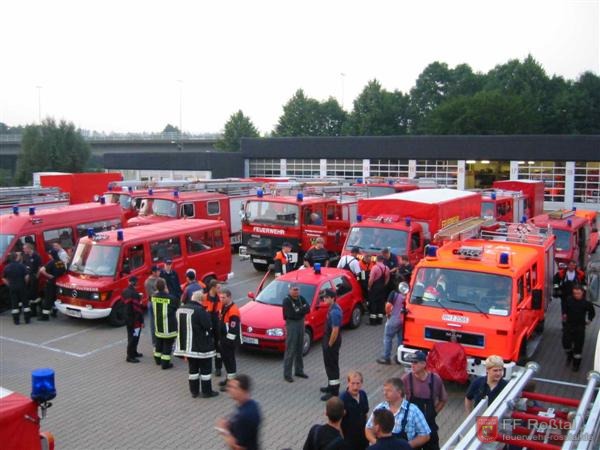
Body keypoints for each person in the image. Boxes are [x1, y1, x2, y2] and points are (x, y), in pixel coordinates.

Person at [174, 290, 219, 398]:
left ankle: (194, 391)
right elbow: (208, 326)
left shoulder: (180, 309)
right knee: (205, 371)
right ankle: (206, 392)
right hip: (201, 347)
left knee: (193, 370)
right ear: (200, 300)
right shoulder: (200, 311)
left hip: (187, 347)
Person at [365, 377, 430, 448]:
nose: (385, 393)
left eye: (389, 391)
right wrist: (378, 444)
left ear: (399, 392)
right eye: (384, 390)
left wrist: (405, 446)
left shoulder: (413, 410)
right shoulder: (380, 408)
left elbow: (425, 435)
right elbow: (368, 428)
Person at [402, 351, 448, 450]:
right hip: (412, 427)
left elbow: (443, 399)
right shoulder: (406, 379)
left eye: (415, 362)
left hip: (429, 425)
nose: (412, 365)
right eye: (411, 362)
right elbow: (398, 399)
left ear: (424, 364)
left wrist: (434, 413)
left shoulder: (435, 379)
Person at [216, 374, 262, 450]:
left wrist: (223, 430)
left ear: (243, 391)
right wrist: (231, 425)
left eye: (234, 388)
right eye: (229, 386)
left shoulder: (245, 415)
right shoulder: (251, 404)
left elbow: (237, 447)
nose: (229, 390)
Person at [562, 284, 595, 372]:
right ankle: (569, 354)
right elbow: (564, 308)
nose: (576, 295)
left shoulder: (586, 303)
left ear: (582, 293)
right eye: (575, 293)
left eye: (578, 293)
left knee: (578, 348)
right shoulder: (569, 300)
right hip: (569, 326)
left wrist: (589, 320)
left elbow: (592, 313)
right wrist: (564, 314)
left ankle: (576, 365)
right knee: (566, 344)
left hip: (580, 327)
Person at [282, 283, 310, 382]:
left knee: (299, 348)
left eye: (297, 289)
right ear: (289, 290)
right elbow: (291, 314)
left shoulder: (301, 298)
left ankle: (299, 370)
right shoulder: (287, 301)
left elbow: (308, 308)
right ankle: (287, 374)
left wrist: (299, 310)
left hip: (301, 324)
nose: (296, 291)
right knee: (290, 349)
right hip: (292, 325)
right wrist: (301, 310)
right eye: (294, 289)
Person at [319, 289, 342, 401]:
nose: (324, 299)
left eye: (327, 297)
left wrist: (329, 344)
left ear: (333, 298)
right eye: (324, 297)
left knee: (332, 366)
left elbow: (335, 330)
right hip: (328, 339)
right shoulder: (332, 308)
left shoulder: (335, 312)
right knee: (328, 365)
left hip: (331, 342)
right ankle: (330, 386)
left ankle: (334, 392)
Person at [151, 278, 179, 369]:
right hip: (169, 327)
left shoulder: (153, 297)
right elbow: (176, 307)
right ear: (165, 287)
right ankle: (165, 364)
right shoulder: (171, 298)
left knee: (158, 343)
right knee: (168, 345)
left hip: (158, 326)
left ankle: (157, 360)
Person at [377, 283, 407, 365]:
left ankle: (386, 357)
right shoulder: (408, 293)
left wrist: (388, 314)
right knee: (400, 339)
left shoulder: (394, 293)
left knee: (388, 337)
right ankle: (399, 357)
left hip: (394, 319)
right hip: (403, 320)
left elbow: (388, 305)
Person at [340, 371, 370, 450]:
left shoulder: (363, 394)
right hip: (349, 441)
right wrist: (342, 440)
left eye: (358, 383)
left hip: (363, 438)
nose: (355, 387)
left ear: (362, 383)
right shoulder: (343, 399)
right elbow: (338, 422)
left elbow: (365, 413)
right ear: (348, 383)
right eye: (352, 383)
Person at [219, 288, 241, 391]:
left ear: (229, 297)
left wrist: (227, 342)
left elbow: (233, 329)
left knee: (230, 361)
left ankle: (231, 384)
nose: (221, 299)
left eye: (223, 297)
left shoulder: (233, 311)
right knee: (226, 360)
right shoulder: (224, 306)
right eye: (220, 297)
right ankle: (229, 379)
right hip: (224, 339)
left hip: (230, 341)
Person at [38, 249, 66, 321]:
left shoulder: (51, 262)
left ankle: (45, 316)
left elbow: (41, 270)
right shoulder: (61, 262)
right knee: (56, 298)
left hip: (51, 283)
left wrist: (48, 275)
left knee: (48, 299)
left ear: (51, 255)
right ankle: (54, 312)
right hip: (59, 283)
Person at [203, 279, 224, 376]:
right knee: (207, 347)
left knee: (218, 347)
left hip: (217, 326)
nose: (220, 290)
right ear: (212, 288)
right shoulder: (204, 298)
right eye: (218, 288)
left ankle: (218, 367)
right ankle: (206, 367)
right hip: (207, 327)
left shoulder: (220, 298)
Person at [2, 252, 29, 325]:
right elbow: (26, 277)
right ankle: (27, 320)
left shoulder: (7, 267)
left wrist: (9, 285)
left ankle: (16, 321)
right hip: (22, 286)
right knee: (25, 303)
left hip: (12, 287)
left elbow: (3, 279)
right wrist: (25, 283)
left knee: (14, 304)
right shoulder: (22, 266)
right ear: (17, 258)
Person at [122, 276, 144, 363]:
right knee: (134, 337)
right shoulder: (134, 294)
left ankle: (134, 352)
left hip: (128, 319)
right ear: (135, 283)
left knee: (131, 336)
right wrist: (141, 321)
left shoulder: (125, 291)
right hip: (135, 320)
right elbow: (138, 309)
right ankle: (130, 356)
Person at [368, 255, 390, 325]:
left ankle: (373, 321)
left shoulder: (375, 267)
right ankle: (380, 320)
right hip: (382, 288)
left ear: (377, 260)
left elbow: (371, 279)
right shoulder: (386, 268)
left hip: (375, 288)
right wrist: (384, 285)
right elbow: (387, 278)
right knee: (381, 303)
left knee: (373, 303)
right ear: (383, 260)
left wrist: (369, 287)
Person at [22, 243, 42, 317]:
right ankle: (39, 308)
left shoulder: (36, 256)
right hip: (28, 276)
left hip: (33, 276)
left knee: (33, 294)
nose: (23, 250)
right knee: (32, 294)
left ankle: (35, 311)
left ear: (29, 248)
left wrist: (37, 275)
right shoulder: (25, 256)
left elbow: (40, 266)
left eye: (24, 248)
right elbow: (24, 265)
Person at [144, 265, 161, 347]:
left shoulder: (161, 279)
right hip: (152, 303)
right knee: (153, 323)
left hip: (161, 303)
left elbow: (166, 290)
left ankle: (161, 340)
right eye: (158, 271)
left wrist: (159, 291)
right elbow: (152, 294)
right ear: (153, 272)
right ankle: (154, 342)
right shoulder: (148, 282)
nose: (159, 272)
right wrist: (160, 291)